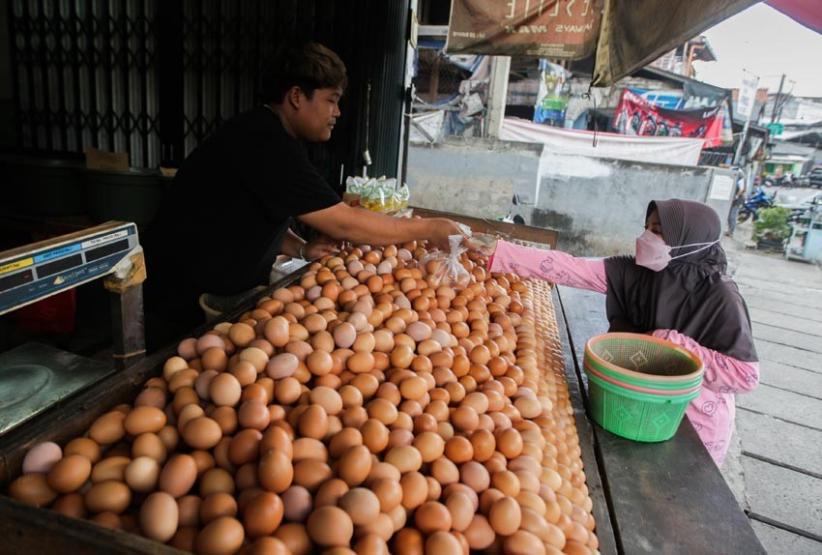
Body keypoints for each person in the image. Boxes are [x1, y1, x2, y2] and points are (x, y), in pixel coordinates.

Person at [144, 42, 462, 348]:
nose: (337, 112)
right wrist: (429, 228)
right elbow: (344, 223)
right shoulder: (264, 142)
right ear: (297, 96)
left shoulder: (268, 135)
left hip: (201, 292)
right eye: (332, 100)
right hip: (180, 300)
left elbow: (255, 213)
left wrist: (302, 248)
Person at [483, 199, 759, 465]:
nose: (647, 237)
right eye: (647, 228)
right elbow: (569, 267)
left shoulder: (720, 295)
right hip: (628, 405)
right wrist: (494, 252)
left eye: (659, 232)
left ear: (689, 241)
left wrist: (671, 343)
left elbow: (745, 376)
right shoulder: (635, 273)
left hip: (693, 424)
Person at [726, 169, 747, 236]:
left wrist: (736, 196)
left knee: (732, 215)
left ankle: (731, 231)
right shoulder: (739, 177)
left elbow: (741, 189)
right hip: (736, 200)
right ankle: (729, 230)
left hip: (737, 200)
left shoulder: (740, 178)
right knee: (730, 215)